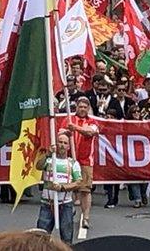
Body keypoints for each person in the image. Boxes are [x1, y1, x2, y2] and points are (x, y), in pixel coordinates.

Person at [35, 131, 81, 244]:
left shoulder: (73, 163)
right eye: (60, 142)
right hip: (47, 204)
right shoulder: (50, 160)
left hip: (65, 204)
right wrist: (47, 154)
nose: (62, 145)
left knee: (66, 239)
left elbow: (78, 183)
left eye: (65, 143)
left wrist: (62, 188)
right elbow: (38, 166)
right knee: (41, 237)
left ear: (68, 147)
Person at [67, 97, 99, 230]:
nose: (82, 109)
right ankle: (69, 211)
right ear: (76, 107)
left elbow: (90, 132)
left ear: (88, 109)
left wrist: (75, 128)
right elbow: (60, 133)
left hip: (86, 161)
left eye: (85, 107)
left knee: (85, 190)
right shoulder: (69, 120)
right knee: (68, 188)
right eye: (80, 107)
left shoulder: (92, 121)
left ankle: (86, 217)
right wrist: (66, 131)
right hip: (70, 160)